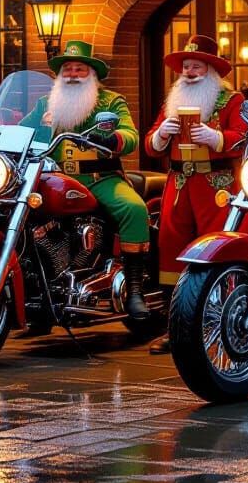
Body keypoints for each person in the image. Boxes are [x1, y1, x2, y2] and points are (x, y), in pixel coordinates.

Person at [19, 40, 150, 318]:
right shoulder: (46, 103)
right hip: (54, 178)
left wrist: (111, 137)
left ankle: (135, 291)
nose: (73, 74)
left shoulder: (110, 101)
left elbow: (130, 136)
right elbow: (20, 134)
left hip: (99, 178)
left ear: (91, 74)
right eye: (67, 69)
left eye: (80, 69)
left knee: (133, 209)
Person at [145, 34, 248, 352]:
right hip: (177, 183)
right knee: (169, 246)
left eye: (196, 66)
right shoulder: (172, 102)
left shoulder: (232, 100)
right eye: (185, 67)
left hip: (214, 184)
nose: (188, 72)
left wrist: (215, 137)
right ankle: (174, 327)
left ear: (211, 70)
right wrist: (161, 135)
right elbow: (150, 143)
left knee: (214, 248)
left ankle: (213, 321)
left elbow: (243, 137)